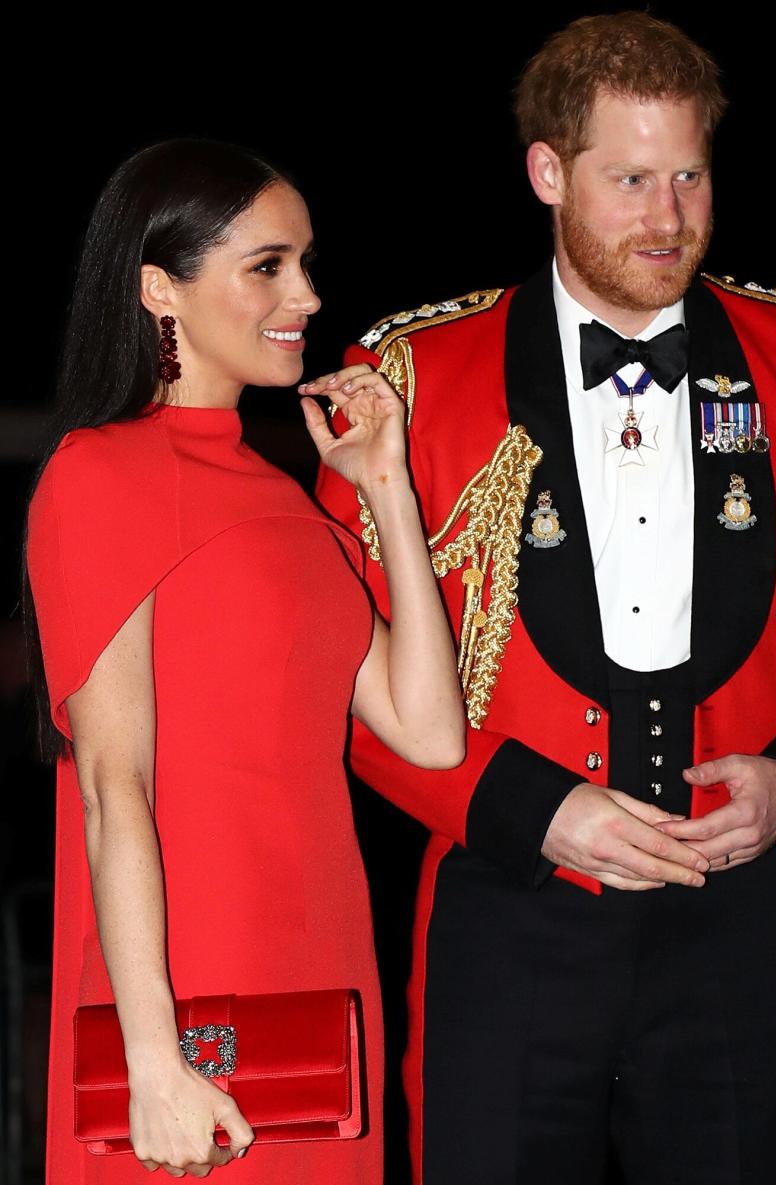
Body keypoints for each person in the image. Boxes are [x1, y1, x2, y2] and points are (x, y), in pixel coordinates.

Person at [311, 12, 776, 1185]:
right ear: (548, 173)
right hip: (505, 914)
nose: (669, 218)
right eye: (631, 178)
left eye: (690, 176)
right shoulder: (412, 377)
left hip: (740, 923)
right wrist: (528, 810)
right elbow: (336, 672)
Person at [24, 139, 464, 1184]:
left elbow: (430, 734)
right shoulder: (102, 477)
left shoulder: (286, 503)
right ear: (157, 291)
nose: (305, 294)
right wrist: (149, 1058)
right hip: (184, 1005)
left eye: (305, 263)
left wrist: (386, 489)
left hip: (322, 981)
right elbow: (108, 784)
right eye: (268, 265)